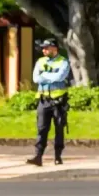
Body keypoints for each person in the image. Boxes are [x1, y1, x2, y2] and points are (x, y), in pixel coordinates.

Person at [27, 38, 71, 166]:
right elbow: (35, 78)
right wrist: (51, 77)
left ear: (54, 48)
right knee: (41, 129)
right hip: (44, 100)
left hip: (58, 102)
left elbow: (60, 77)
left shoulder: (63, 62)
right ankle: (38, 156)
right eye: (43, 48)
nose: (44, 50)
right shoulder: (40, 61)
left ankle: (58, 156)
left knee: (59, 129)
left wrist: (44, 76)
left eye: (46, 48)